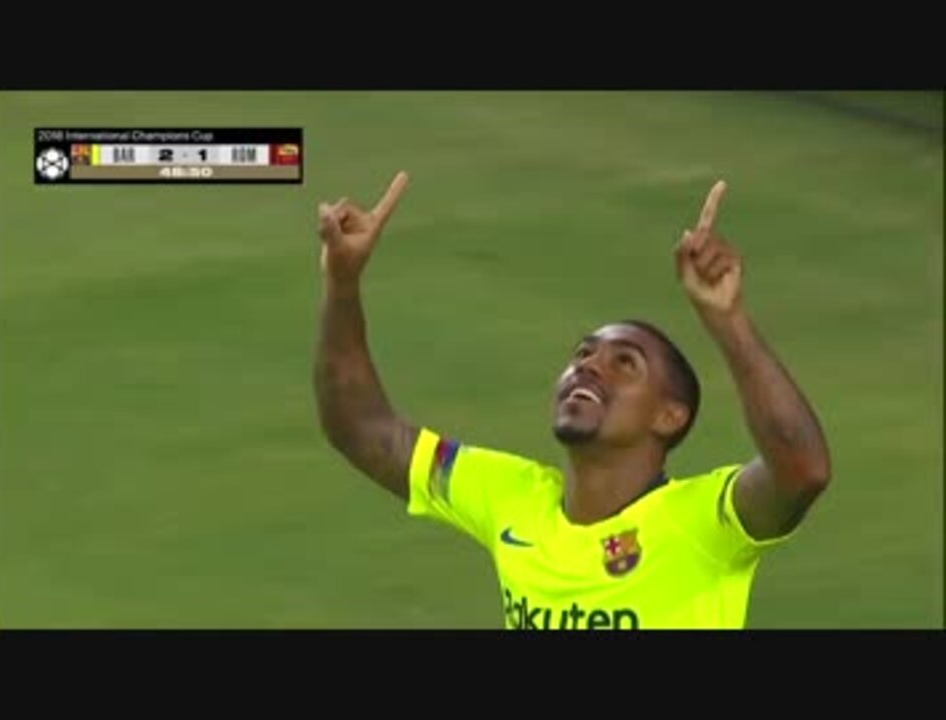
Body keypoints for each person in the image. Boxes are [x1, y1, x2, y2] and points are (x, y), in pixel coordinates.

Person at [313, 171, 831, 630]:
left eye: (625, 363)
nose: (589, 366)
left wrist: (728, 320)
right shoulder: (512, 499)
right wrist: (342, 284)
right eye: (583, 353)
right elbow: (361, 429)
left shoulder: (703, 523)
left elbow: (801, 469)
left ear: (669, 416)